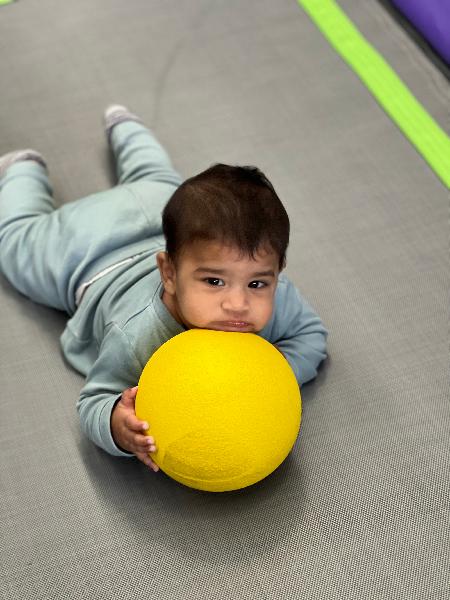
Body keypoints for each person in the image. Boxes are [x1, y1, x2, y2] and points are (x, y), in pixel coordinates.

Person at [0, 105, 328, 472]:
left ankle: (127, 127)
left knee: (154, 176)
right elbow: (94, 399)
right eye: (214, 281)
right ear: (168, 274)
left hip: (151, 204)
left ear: (277, 273)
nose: (237, 303)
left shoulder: (276, 296)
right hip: (87, 253)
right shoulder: (137, 337)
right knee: (14, 246)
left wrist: (276, 373)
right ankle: (22, 171)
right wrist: (116, 424)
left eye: (256, 283)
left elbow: (310, 333)